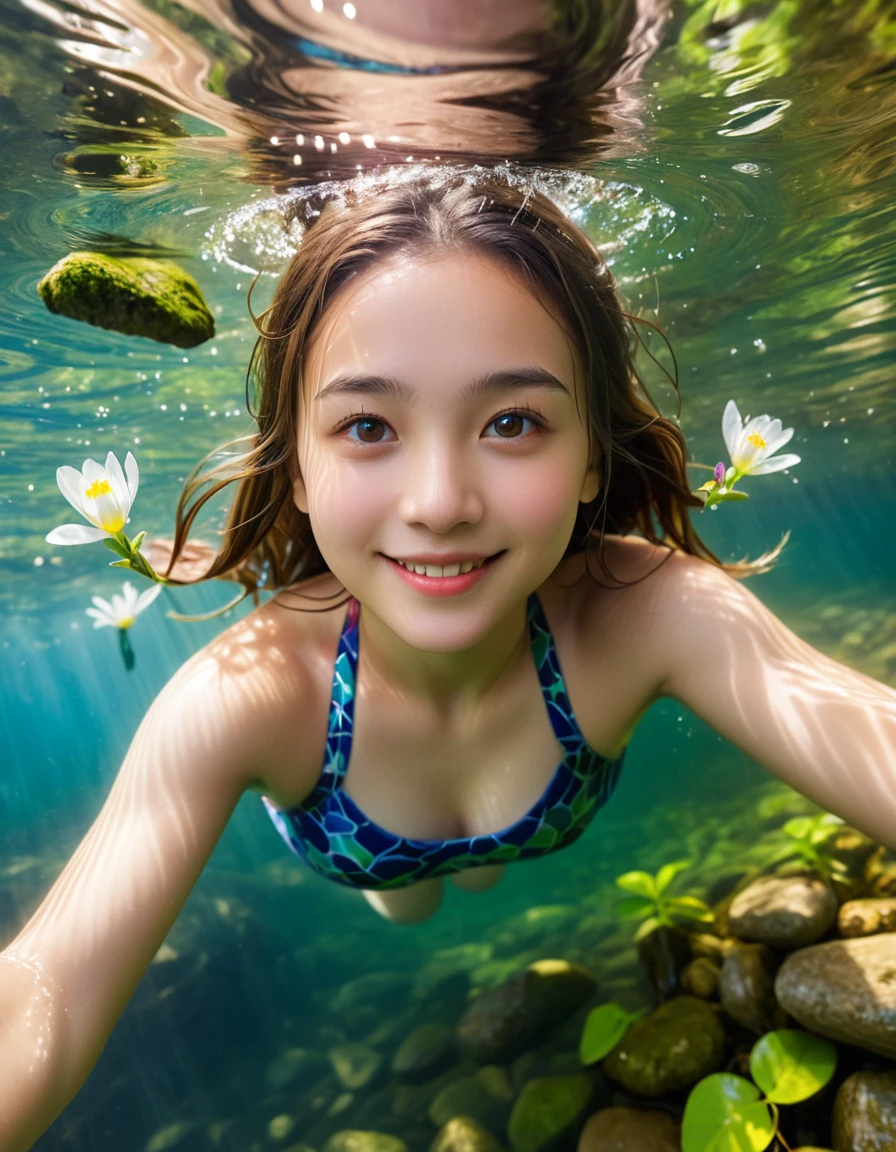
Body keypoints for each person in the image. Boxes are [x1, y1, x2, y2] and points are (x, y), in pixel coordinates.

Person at [2, 172, 894, 1148]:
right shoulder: (250, 691)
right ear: (297, 467)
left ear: (591, 453)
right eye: (368, 427)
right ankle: (429, 873)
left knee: (462, 880)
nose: (438, 501)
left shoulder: (644, 612)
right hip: (367, 856)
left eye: (511, 421)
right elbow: (42, 988)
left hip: (504, 811)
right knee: (414, 897)